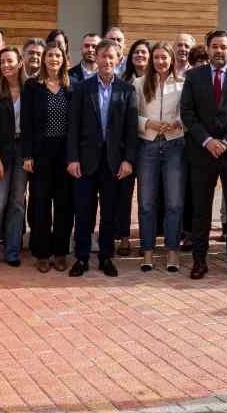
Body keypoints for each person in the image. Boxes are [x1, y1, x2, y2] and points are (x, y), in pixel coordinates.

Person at [179, 30, 227, 281]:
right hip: (202, 153)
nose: (219, 51)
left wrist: (226, 142)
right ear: (208, 49)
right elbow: (187, 113)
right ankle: (199, 261)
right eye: (215, 46)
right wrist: (208, 141)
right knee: (200, 210)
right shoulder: (194, 76)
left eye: (223, 47)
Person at [66, 40, 137, 277]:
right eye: (103, 56)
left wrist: (128, 160)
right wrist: (72, 158)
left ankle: (106, 257)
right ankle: (82, 258)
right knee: (83, 212)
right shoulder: (82, 88)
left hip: (114, 162)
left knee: (109, 213)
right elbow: (73, 127)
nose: (107, 60)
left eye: (111, 56)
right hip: (85, 162)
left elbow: (131, 130)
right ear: (96, 58)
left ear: (118, 60)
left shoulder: (127, 90)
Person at [22, 41, 74, 272]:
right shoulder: (33, 86)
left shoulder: (71, 86)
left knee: (64, 204)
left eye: (58, 56)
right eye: (50, 55)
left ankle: (60, 252)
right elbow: (26, 123)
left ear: (64, 60)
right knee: (40, 203)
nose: (54, 59)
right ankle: (42, 252)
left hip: (65, 153)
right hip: (40, 153)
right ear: (44, 59)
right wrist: (27, 154)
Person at [134, 42, 184, 272]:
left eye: (164, 57)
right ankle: (147, 252)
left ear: (171, 59)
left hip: (175, 145)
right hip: (148, 145)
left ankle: (172, 251)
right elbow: (131, 114)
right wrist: (148, 123)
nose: (160, 62)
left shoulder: (183, 83)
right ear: (151, 60)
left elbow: (188, 112)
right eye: (156, 58)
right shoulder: (139, 83)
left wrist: (178, 122)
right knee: (146, 203)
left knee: (174, 202)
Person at [0, 47, 29, 268]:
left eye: (10, 61)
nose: (5, 65)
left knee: (18, 202)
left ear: (20, 63)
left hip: (22, 150)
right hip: (0, 150)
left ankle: (12, 251)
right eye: (2, 62)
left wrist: (29, 155)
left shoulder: (30, 88)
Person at [114, 38, 151, 256]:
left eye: (144, 52)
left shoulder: (156, 80)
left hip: (149, 143)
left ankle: (146, 240)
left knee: (146, 196)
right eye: (136, 52)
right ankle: (124, 237)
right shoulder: (122, 80)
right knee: (124, 194)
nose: (140, 55)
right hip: (126, 145)